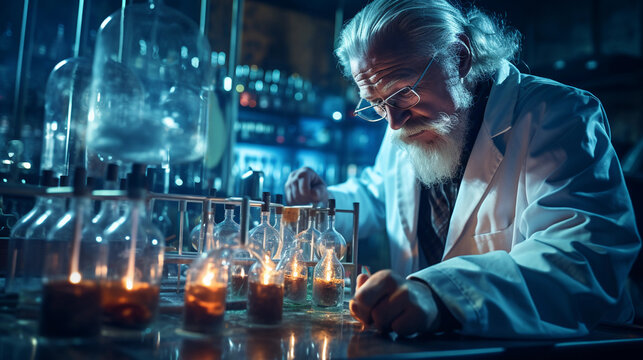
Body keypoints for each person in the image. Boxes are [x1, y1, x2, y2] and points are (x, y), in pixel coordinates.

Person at [285, 0, 641, 338]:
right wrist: (326, 200)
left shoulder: (558, 116)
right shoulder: (406, 121)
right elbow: (380, 194)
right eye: (377, 104)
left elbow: (581, 258)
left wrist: (442, 295)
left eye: (403, 92)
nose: (393, 122)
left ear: (459, 57)